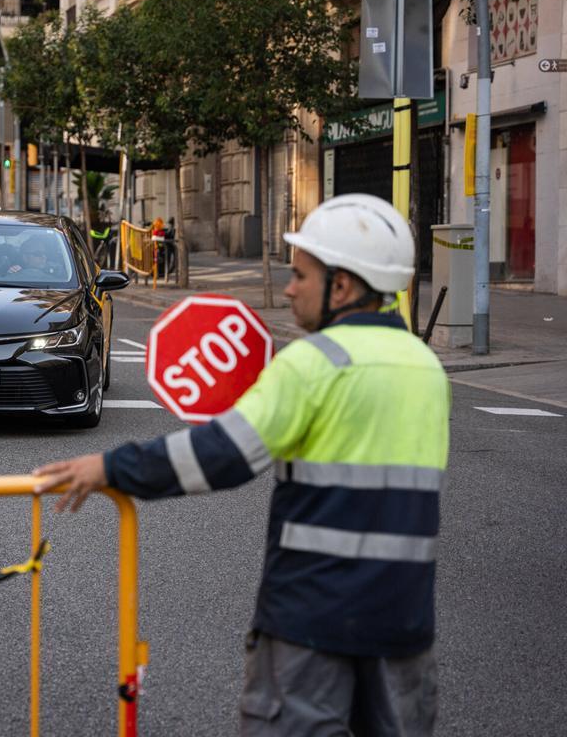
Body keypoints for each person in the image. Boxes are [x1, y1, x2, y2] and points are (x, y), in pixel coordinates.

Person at [33, 193, 448, 737]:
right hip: (404, 623)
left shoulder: (315, 364)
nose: (291, 288)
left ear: (342, 287)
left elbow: (221, 456)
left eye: (301, 275)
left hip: (312, 622)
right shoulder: (426, 367)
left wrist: (111, 467)